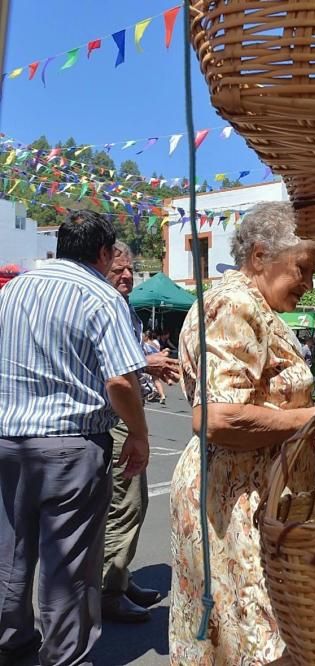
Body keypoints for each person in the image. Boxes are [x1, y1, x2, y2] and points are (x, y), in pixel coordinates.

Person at [169, 202, 315, 663]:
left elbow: (266, 401)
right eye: (303, 270)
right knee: (254, 638)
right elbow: (217, 418)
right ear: (260, 256)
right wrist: (309, 421)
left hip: (255, 493)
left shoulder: (256, 307)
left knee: (252, 635)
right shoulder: (233, 303)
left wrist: (312, 423)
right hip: (234, 498)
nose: (309, 284)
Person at [0, 210, 150, 666]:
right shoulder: (100, 297)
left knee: (10, 553)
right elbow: (121, 382)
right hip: (70, 445)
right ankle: (64, 657)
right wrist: (140, 434)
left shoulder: (15, 288)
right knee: (68, 568)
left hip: (9, 439)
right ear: (103, 253)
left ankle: (12, 645)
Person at [101, 243, 182, 624]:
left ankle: (120, 577)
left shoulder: (123, 308)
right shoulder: (104, 304)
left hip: (123, 416)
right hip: (116, 417)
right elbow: (112, 370)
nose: (128, 276)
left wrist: (147, 366)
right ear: (102, 267)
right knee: (126, 503)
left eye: (131, 270)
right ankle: (110, 590)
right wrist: (144, 362)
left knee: (131, 501)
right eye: (119, 269)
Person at [142, 330, 168, 403]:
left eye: (143, 336)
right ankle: (162, 395)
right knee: (156, 380)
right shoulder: (155, 343)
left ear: (146, 337)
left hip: (150, 363)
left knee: (144, 378)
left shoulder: (145, 345)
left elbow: (146, 354)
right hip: (157, 362)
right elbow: (159, 351)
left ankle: (153, 390)